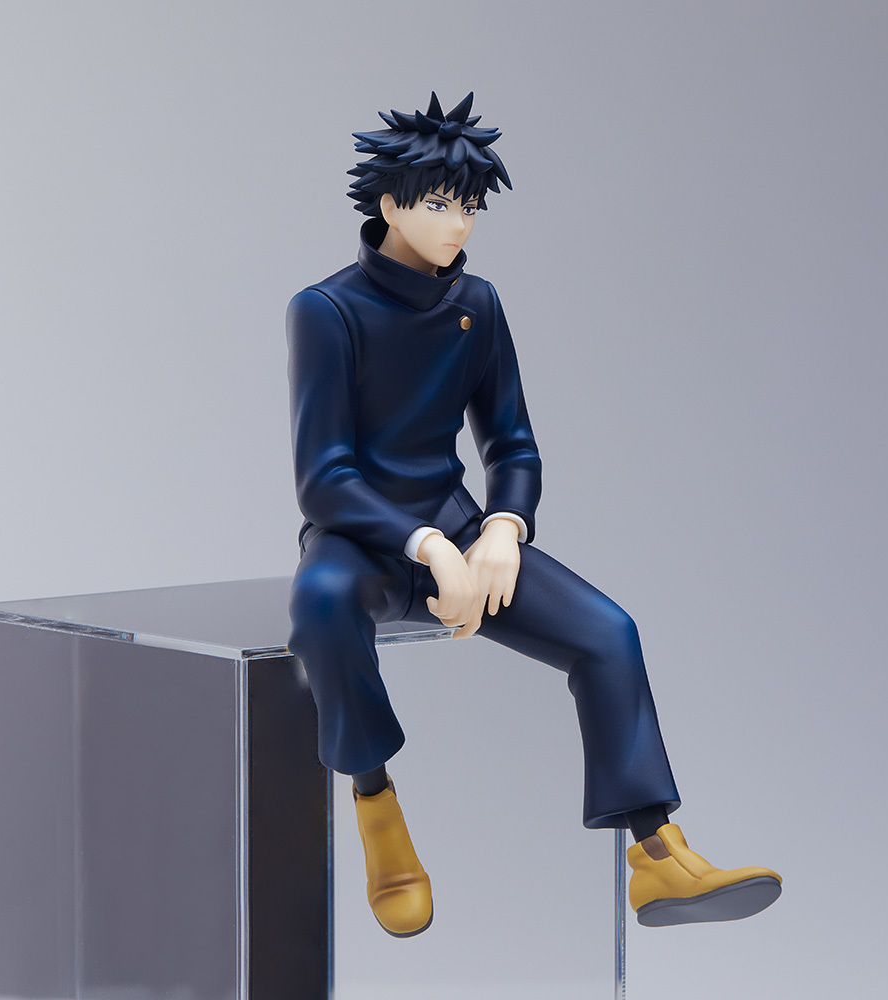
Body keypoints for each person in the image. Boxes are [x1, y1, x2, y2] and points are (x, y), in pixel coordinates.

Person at [286, 92, 781, 937]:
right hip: (363, 538)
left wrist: (502, 529)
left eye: (469, 207)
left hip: (461, 528)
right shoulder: (326, 310)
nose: (458, 225)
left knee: (608, 631)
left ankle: (656, 852)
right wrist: (427, 545)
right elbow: (324, 477)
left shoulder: (478, 304)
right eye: (439, 204)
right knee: (319, 605)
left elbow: (512, 446)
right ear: (390, 204)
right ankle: (376, 806)